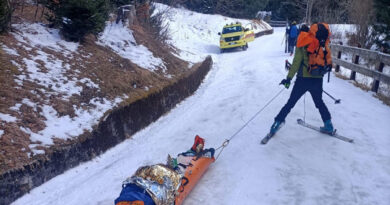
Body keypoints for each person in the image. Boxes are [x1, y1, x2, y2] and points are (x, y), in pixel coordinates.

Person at [270, 23, 334, 135]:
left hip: (302, 80)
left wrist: (288, 78)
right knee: (319, 103)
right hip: (317, 78)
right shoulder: (321, 42)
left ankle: (276, 124)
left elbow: (296, 63)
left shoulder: (302, 43)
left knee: (290, 103)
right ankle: (328, 125)